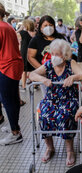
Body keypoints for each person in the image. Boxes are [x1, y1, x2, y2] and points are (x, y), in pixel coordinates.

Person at [29, 39, 82, 166]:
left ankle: (69, 150)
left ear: (65, 55)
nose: (54, 57)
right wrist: (43, 79)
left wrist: (73, 77)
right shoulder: (48, 64)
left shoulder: (70, 63)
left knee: (66, 115)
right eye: (53, 54)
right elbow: (31, 74)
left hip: (69, 99)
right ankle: (50, 148)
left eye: (58, 54)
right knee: (44, 115)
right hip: (51, 99)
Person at [0, 3, 24, 145]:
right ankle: (14, 127)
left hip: (6, 67)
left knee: (7, 100)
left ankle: (15, 133)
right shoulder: (6, 26)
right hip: (13, 65)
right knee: (13, 99)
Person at [17, 19, 36, 92]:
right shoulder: (35, 33)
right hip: (33, 51)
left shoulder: (22, 33)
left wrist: (19, 29)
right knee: (32, 69)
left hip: (24, 52)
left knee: (24, 70)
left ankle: (24, 86)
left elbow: (13, 34)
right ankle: (34, 84)